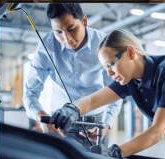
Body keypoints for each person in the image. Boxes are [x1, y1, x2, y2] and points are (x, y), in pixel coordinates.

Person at [51, 29, 165, 159]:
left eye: (111, 64)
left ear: (130, 52)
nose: (109, 72)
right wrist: (72, 109)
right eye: (105, 68)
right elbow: (93, 100)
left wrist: (113, 152)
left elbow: (157, 131)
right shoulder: (130, 79)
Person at [23, 3, 121, 145]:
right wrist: (41, 117)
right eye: (58, 32)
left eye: (72, 29)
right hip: (59, 122)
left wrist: (106, 124)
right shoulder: (46, 46)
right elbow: (30, 92)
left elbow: (115, 92)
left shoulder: (104, 44)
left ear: (84, 21)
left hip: (96, 123)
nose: (67, 38)